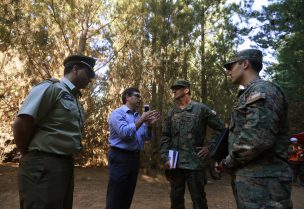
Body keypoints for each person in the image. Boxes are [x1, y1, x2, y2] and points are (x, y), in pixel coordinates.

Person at [12, 55, 96, 209]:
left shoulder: (74, 99)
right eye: (89, 74)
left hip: (65, 164)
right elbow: (21, 124)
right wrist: (26, 153)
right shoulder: (52, 88)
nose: (91, 79)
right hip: (43, 163)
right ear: (75, 69)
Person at [217, 49, 293, 208]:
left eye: (231, 67)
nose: (229, 71)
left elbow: (255, 139)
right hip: (252, 181)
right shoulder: (248, 94)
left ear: (245, 64)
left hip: (265, 184)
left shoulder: (262, 90)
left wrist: (228, 162)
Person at [159, 80, 225, 209]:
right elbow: (165, 136)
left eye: (177, 88)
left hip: (194, 163)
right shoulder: (172, 112)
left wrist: (209, 148)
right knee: (176, 199)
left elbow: (221, 129)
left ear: (186, 90)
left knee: (198, 199)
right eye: (173, 89)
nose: (174, 91)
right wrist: (165, 157)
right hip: (175, 164)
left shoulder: (201, 109)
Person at [105, 87, 160, 209]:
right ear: (127, 97)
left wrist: (149, 126)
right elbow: (125, 133)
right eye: (137, 96)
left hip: (134, 158)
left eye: (140, 96)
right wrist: (142, 119)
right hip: (120, 157)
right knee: (116, 196)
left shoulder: (137, 116)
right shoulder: (117, 113)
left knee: (127, 196)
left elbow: (146, 138)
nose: (140, 99)